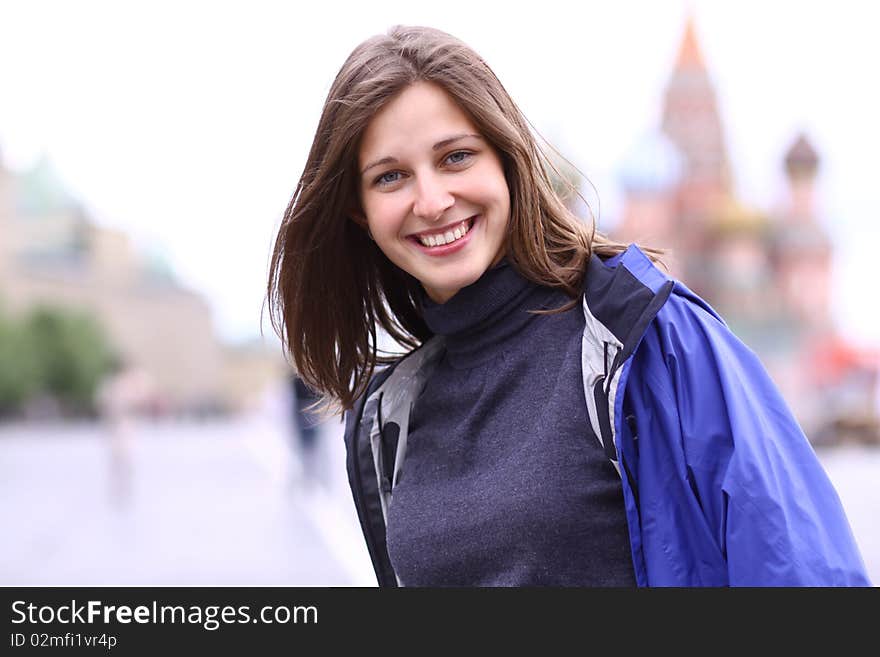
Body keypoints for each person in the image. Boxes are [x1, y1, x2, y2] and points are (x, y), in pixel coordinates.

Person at [266, 25, 870, 587]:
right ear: (359, 212)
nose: (432, 200)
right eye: (391, 177)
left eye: (456, 157)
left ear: (507, 160)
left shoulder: (650, 340)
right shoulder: (391, 413)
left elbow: (804, 574)